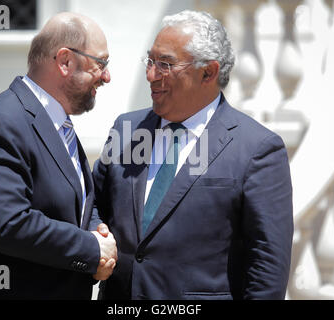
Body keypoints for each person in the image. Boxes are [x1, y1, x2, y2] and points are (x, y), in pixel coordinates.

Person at [93, 10, 293, 300]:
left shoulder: (257, 149)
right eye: (151, 61)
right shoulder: (127, 129)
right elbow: (94, 204)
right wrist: (96, 245)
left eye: (165, 65)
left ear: (208, 72)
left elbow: (267, 270)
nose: (151, 75)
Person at [0, 12, 117, 300]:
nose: (107, 77)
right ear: (65, 62)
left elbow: (77, 202)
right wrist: (89, 249)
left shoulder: (56, 122)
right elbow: (8, 224)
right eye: (100, 64)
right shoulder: (1, 122)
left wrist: (98, 237)